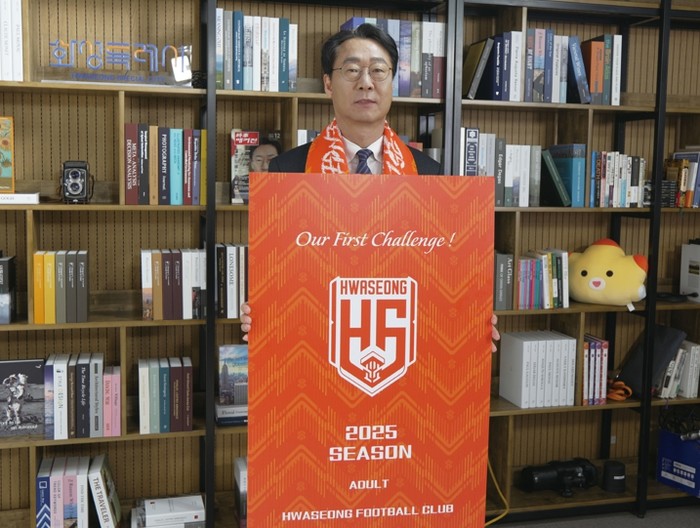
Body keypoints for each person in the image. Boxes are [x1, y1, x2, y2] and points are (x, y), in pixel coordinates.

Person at [243, 23, 499, 350]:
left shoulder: (430, 175)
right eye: (352, 70)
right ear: (328, 84)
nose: (366, 82)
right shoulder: (286, 171)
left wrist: (469, 319)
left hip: (398, 335)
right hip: (318, 336)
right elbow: (279, 273)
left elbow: (439, 276)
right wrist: (263, 311)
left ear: (392, 82)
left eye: (378, 70)